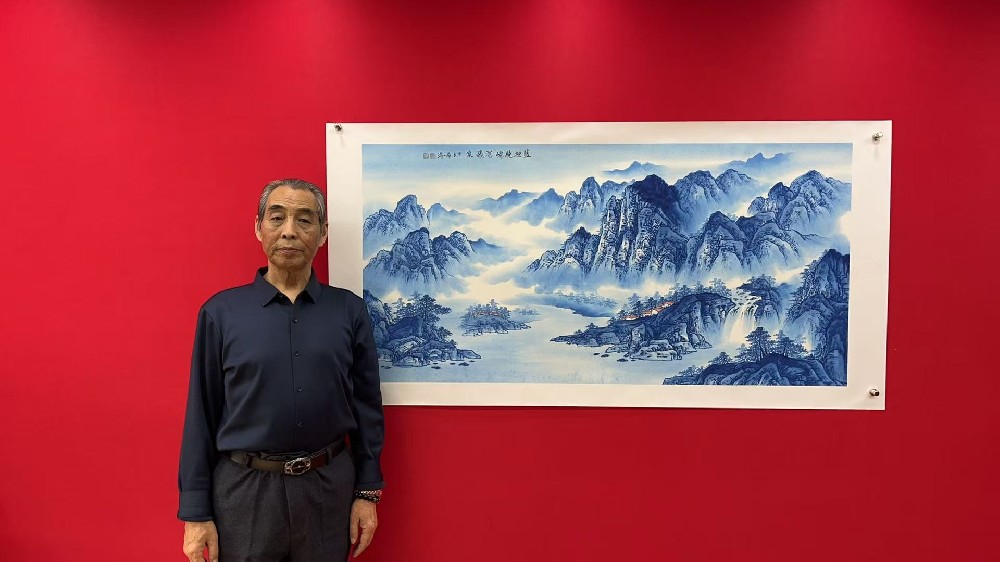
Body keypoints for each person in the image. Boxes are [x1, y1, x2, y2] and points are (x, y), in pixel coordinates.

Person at [178, 178, 385, 561]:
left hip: (328, 489)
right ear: (259, 228)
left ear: (322, 233)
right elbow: (201, 415)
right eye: (277, 218)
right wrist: (195, 512)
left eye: (304, 220)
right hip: (244, 492)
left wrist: (367, 492)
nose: (289, 231)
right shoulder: (221, 313)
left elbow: (367, 408)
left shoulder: (349, 311)